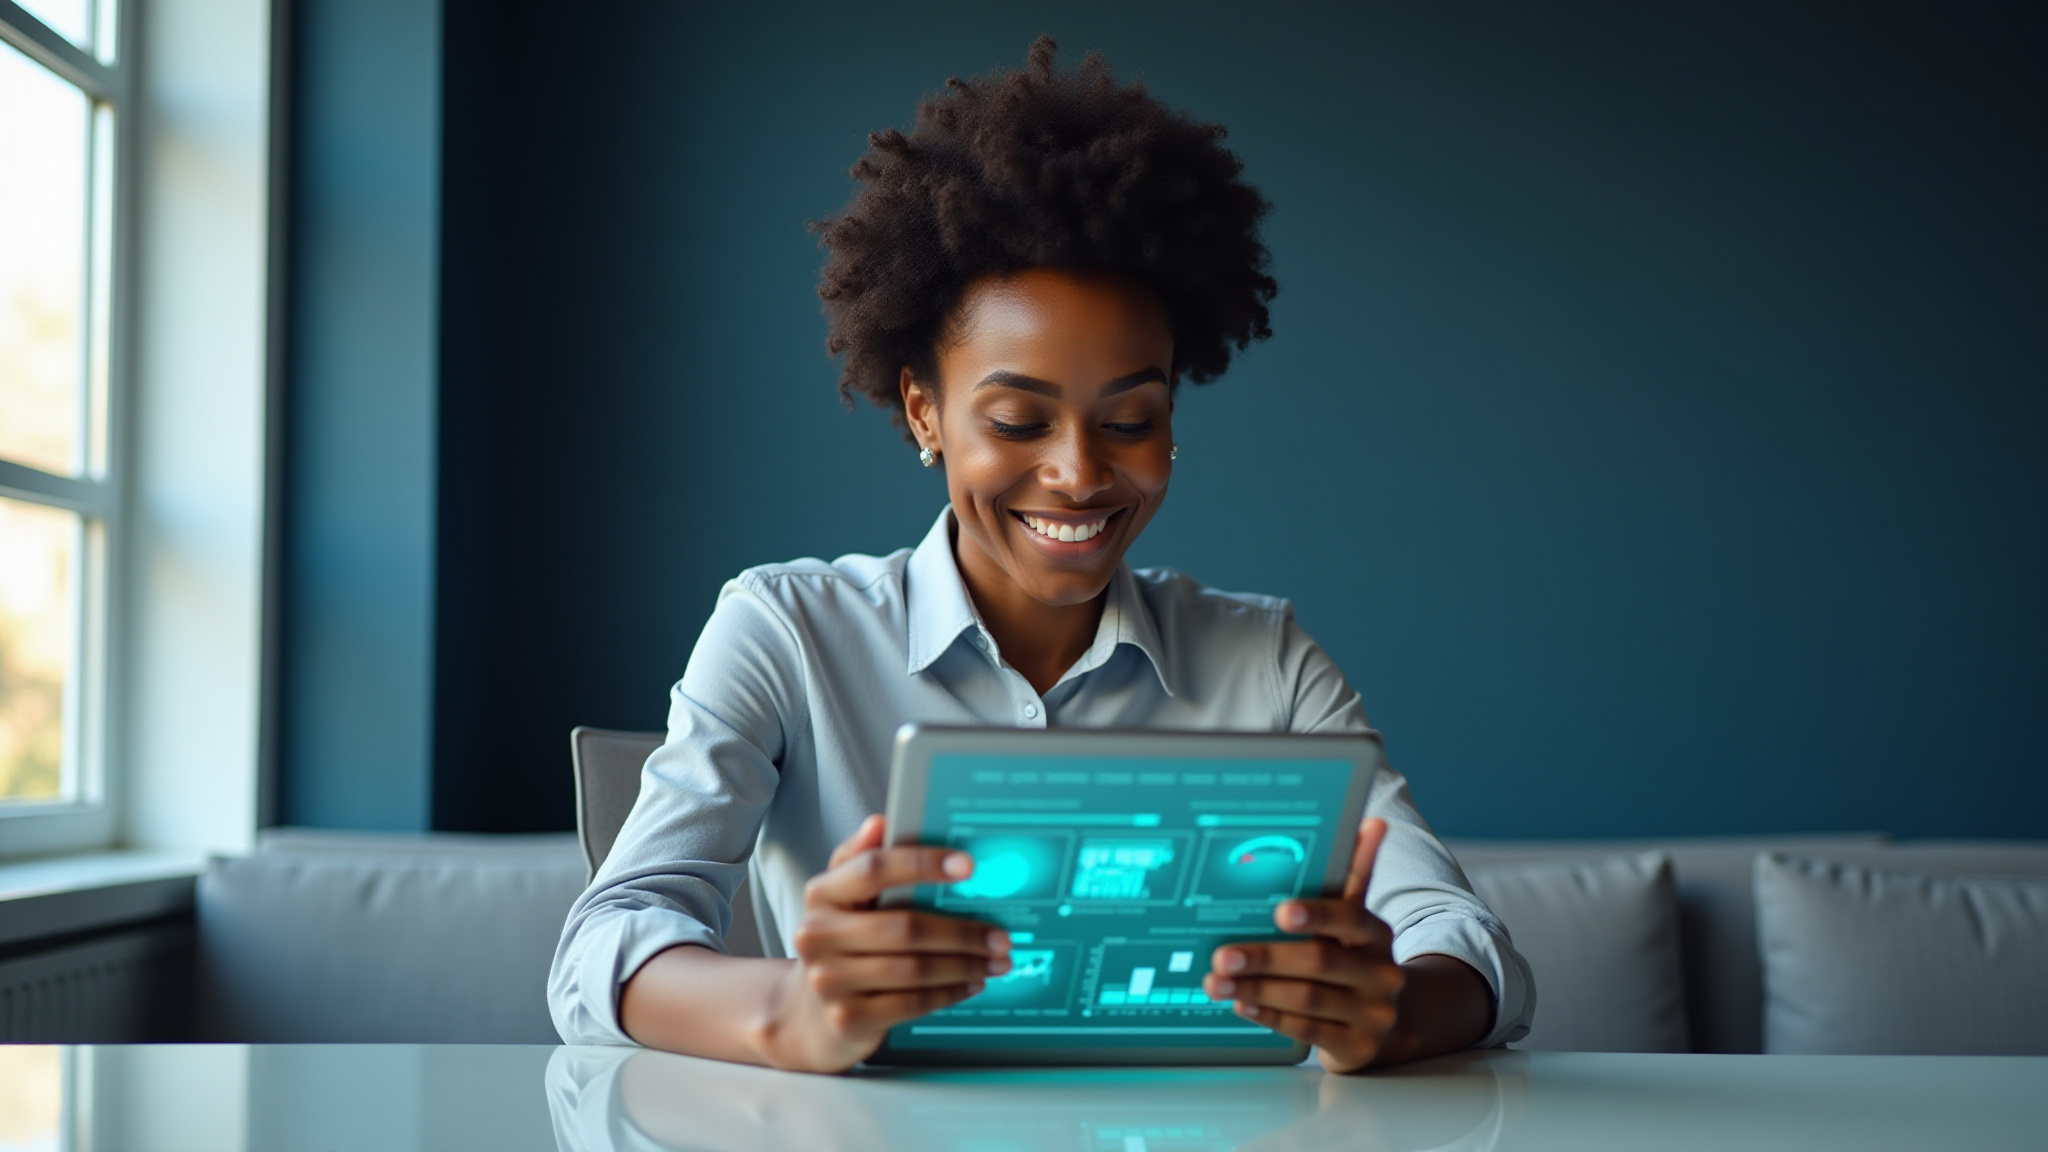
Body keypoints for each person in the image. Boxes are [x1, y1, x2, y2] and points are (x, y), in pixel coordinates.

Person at [548, 37, 1533, 1074]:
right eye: (1017, 421)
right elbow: (605, 941)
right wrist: (794, 1010)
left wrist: (1394, 1009)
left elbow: (1465, 945)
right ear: (923, 411)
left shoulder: (1264, 660)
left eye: (1129, 419)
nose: (1077, 474)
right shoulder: (785, 633)